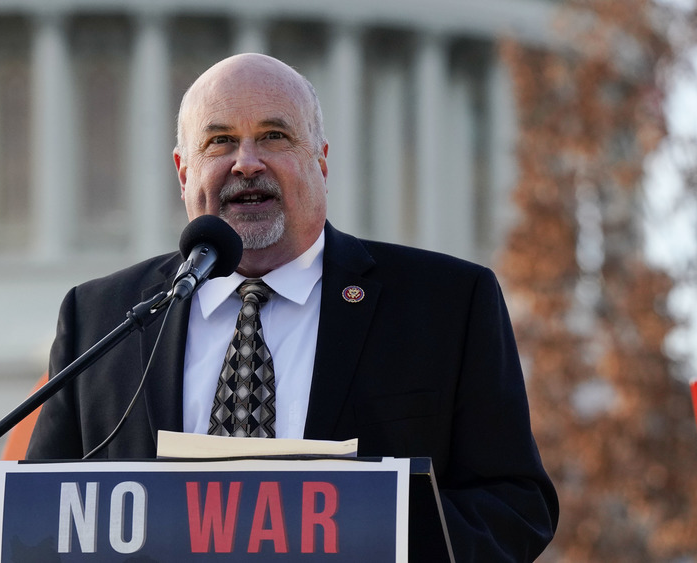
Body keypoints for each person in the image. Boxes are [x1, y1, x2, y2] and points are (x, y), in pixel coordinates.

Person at [27, 53, 559, 560]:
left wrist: (381, 537)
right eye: (220, 142)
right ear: (183, 171)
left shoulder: (444, 305)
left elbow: (515, 505)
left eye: (274, 136)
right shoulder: (101, 319)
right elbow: (36, 519)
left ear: (321, 160)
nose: (247, 162)